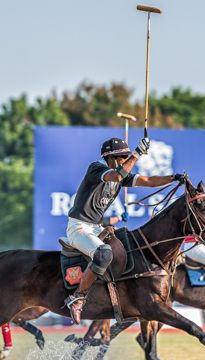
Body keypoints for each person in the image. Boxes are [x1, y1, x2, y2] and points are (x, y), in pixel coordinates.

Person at [64, 136, 184, 324]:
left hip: (96, 228)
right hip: (79, 227)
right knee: (103, 254)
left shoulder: (120, 174)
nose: (125, 162)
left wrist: (174, 178)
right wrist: (136, 153)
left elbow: (149, 180)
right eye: (122, 158)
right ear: (110, 158)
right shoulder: (96, 168)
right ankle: (77, 298)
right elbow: (118, 176)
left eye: (126, 158)